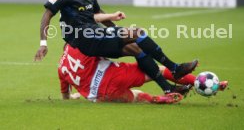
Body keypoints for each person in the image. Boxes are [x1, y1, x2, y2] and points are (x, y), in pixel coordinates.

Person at [34, 0, 198, 95]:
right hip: (83, 39)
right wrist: (43, 44)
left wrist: (115, 30)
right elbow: (47, 15)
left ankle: (168, 88)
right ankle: (174, 68)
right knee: (138, 33)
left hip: (95, 34)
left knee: (134, 47)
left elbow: (98, 12)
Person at [59, 44, 228, 103]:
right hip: (115, 75)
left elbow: (65, 94)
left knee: (137, 96)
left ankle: (155, 99)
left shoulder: (60, 68)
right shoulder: (82, 46)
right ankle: (198, 81)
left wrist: (71, 97)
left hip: (102, 95)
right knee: (158, 70)